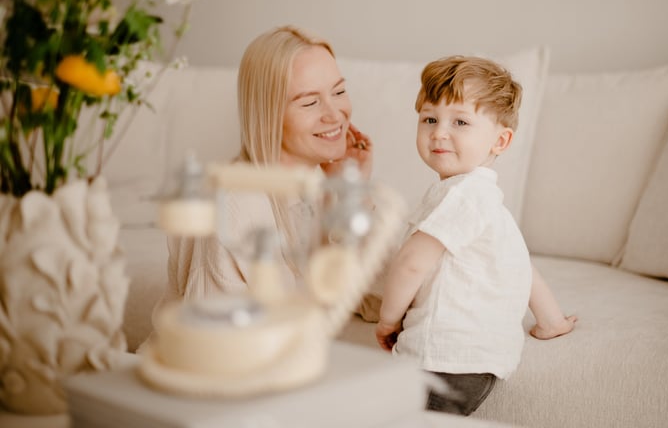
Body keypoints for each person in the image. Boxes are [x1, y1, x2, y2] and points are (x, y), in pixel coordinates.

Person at [375, 56, 576, 416]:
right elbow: (522, 266)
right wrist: (551, 321)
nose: (439, 132)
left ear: (500, 140)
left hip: (440, 358)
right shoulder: (488, 202)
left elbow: (410, 263)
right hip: (480, 364)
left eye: (460, 122)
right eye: (430, 119)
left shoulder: (461, 195)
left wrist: (388, 320)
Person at [152, 25, 373, 315]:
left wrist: (350, 192)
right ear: (270, 115)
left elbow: (373, 300)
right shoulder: (235, 207)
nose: (335, 114)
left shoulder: (317, 185)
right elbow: (213, 333)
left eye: (339, 91)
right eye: (310, 102)